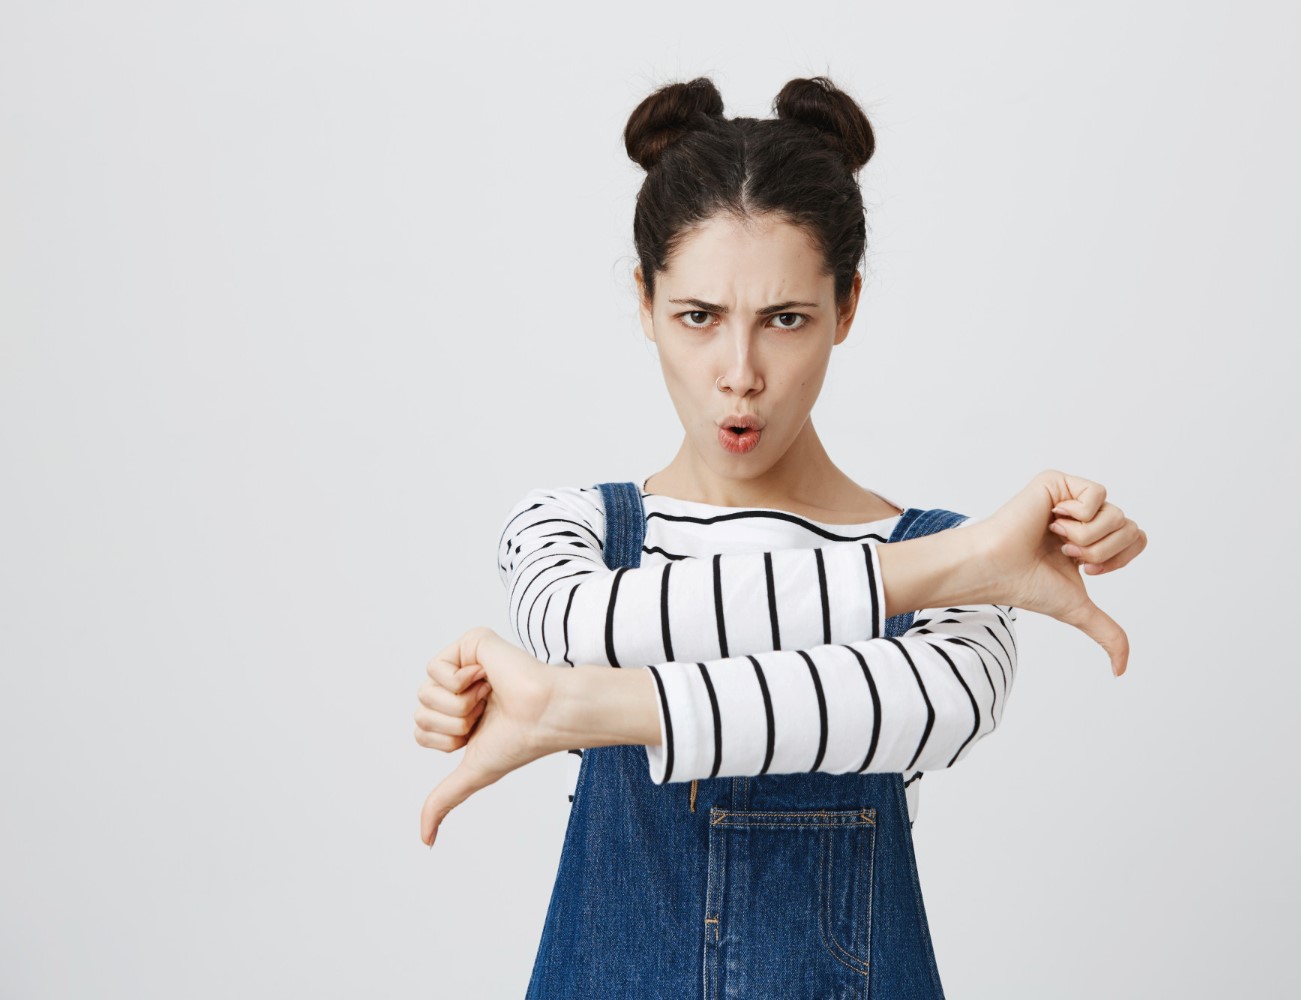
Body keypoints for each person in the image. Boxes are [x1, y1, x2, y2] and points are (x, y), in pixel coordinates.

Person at [412, 76, 1147, 998]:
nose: (740, 373)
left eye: (786, 320)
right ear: (644, 301)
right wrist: (960, 563)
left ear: (848, 307)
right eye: (698, 317)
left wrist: (571, 708)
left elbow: (931, 706)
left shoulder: (956, 567)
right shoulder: (572, 530)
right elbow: (585, 625)